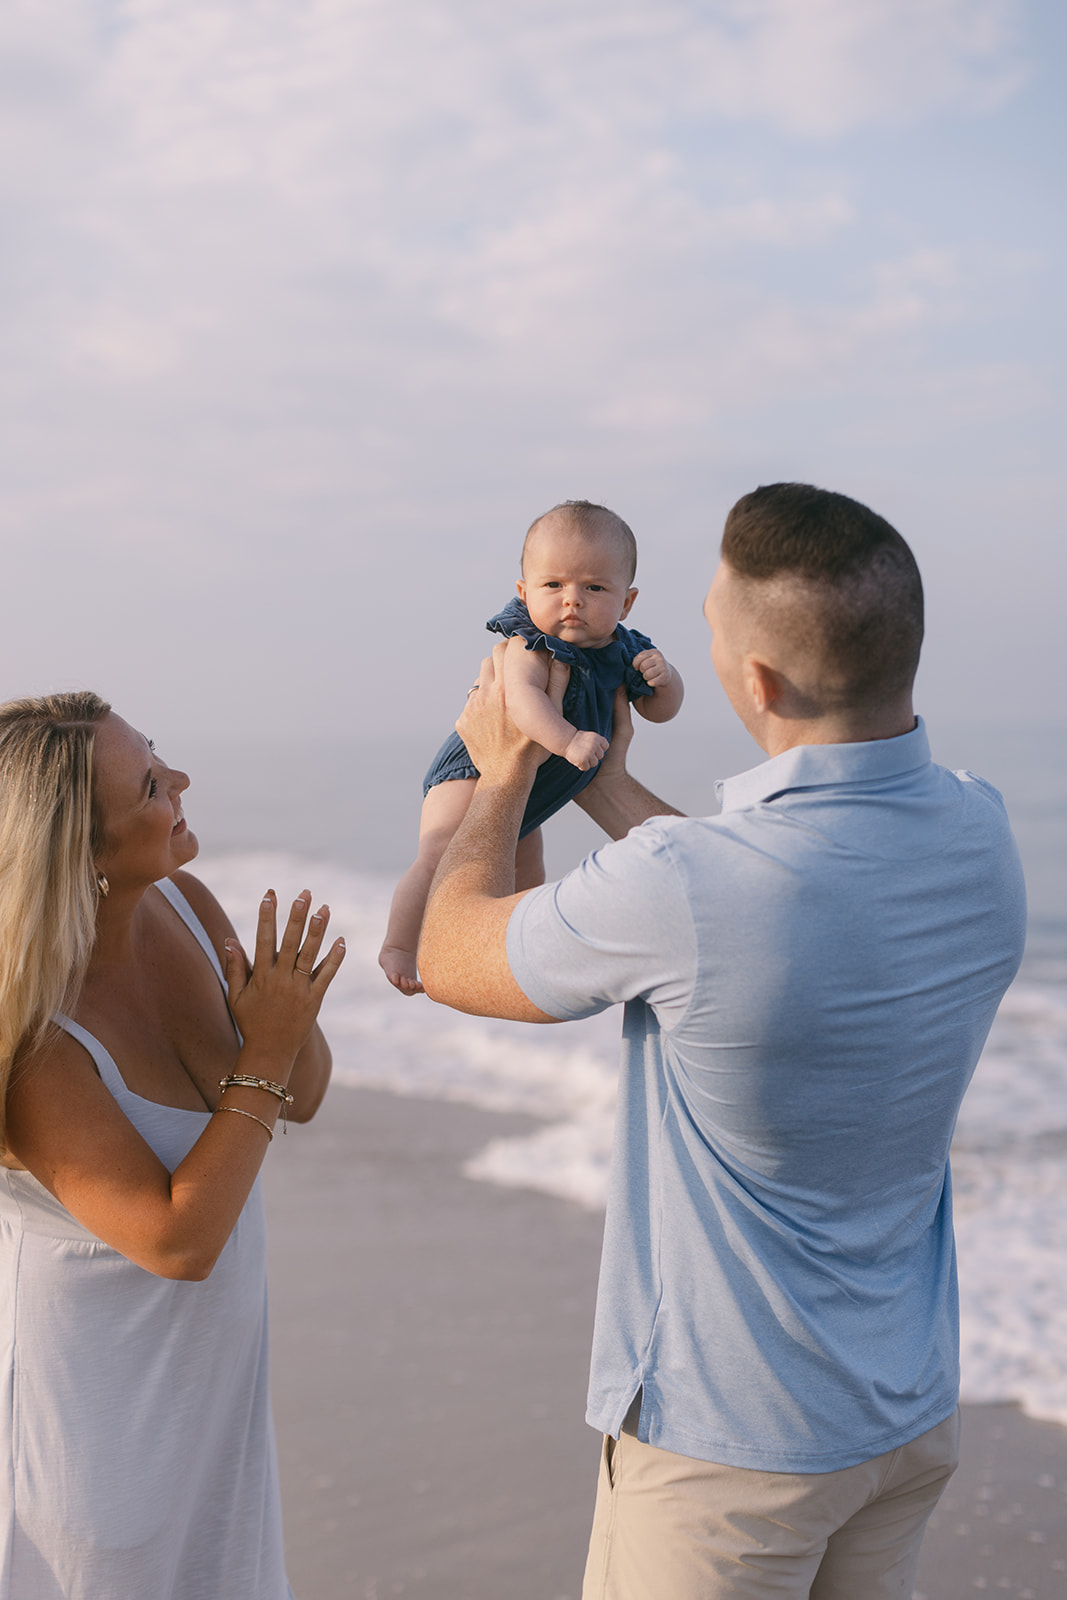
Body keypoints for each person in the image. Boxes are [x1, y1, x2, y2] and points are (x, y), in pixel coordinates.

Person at [417, 483, 1027, 1600]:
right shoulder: (980, 830)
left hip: (725, 1449)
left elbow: (452, 953)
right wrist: (598, 785)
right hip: (901, 1417)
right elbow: (757, 891)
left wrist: (504, 767)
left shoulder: (689, 889)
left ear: (754, 681)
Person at [0, 690, 346, 1600]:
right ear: (84, 854)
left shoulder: (185, 903)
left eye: (156, 753)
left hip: (215, 1405)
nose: (184, 780)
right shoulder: (38, 1044)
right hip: (99, 1423)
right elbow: (178, 1241)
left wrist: (288, 1017)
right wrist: (264, 1047)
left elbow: (298, 1097)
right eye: (150, 784)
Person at [379, 499, 683, 995]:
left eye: (594, 587)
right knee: (438, 852)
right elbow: (520, 703)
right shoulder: (529, 643)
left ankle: (511, 949)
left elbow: (658, 711)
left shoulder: (626, 649)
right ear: (524, 591)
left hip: (533, 783)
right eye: (553, 585)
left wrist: (664, 680)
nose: (572, 600)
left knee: (528, 868)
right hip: (475, 768)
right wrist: (569, 739)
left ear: (626, 603)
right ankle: (399, 945)